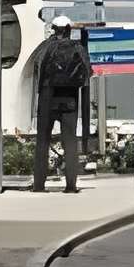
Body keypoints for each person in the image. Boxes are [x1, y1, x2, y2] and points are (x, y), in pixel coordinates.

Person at [32, 24, 94, 193]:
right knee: (70, 143)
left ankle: (38, 185)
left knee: (42, 142)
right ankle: (71, 186)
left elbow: (36, 68)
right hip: (70, 99)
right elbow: (88, 71)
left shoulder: (45, 47)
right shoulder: (77, 47)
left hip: (47, 98)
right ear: (68, 30)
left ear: (54, 29)